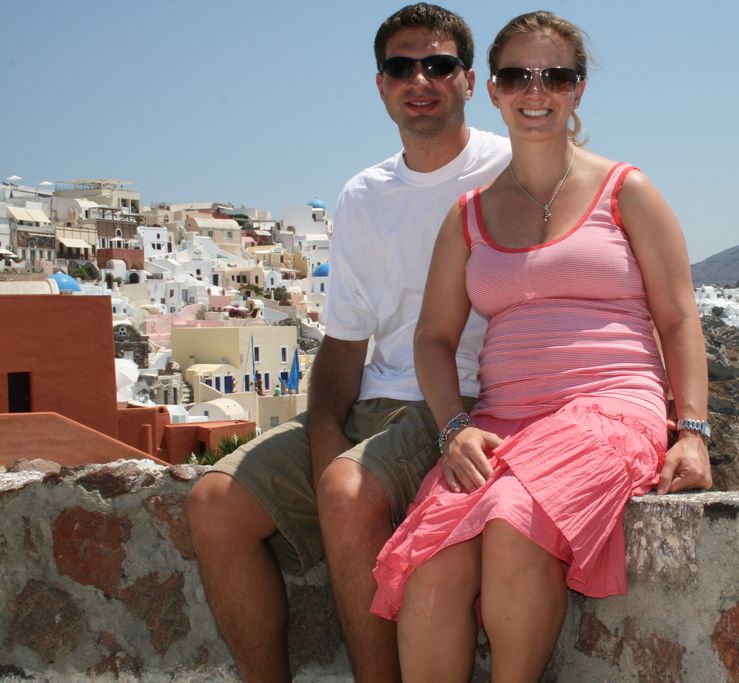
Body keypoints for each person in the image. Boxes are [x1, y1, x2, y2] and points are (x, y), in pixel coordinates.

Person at [370, 10, 713, 682]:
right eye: (517, 76)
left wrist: (694, 432)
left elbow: (678, 318)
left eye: (555, 76)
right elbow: (434, 337)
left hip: (609, 408)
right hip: (501, 423)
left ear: (578, 89)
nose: (536, 91)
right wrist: (454, 429)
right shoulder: (469, 214)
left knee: (515, 515)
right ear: (493, 90)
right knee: (430, 567)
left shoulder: (627, 191)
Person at [185, 4, 510, 681]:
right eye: (401, 66)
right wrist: (325, 431)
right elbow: (344, 340)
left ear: (469, 80)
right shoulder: (363, 195)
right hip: (373, 407)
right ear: (380, 85)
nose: (419, 79)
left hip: (458, 404)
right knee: (215, 504)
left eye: (438, 64)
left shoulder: (505, 169)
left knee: (346, 491)